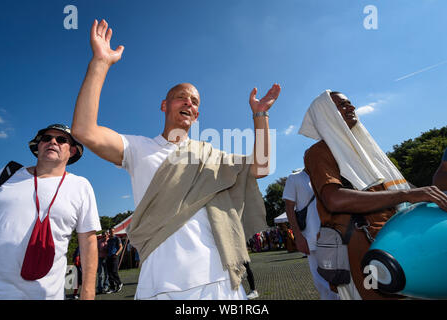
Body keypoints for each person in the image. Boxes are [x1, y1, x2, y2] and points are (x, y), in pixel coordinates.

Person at [71, 19, 280, 300]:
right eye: (181, 97)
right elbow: (84, 130)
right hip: (161, 282)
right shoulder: (138, 148)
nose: (189, 103)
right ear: (164, 105)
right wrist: (100, 62)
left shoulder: (211, 155)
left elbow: (262, 166)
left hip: (218, 279)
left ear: (196, 116)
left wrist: (261, 116)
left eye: (194, 102)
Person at [299, 90, 447, 300]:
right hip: (361, 247)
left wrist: (421, 195)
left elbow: (394, 189)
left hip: (394, 242)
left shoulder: (365, 151)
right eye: (341, 105)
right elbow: (335, 199)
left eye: (350, 103)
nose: (351, 108)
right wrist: (406, 195)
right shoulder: (319, 152)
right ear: (326, 114)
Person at [0, 124, 101, 300]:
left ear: (73, 151)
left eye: (61, 140)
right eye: (46, 138)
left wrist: (88, 292)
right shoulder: (6, 175)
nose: (53, 142)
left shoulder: (80, 186)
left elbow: (89, 242)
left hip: (47, 294)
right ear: (38, 146)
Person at [283, 169, 339, 300]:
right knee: (324, 285)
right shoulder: (294, 178)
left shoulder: (325, 175)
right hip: (312, 237)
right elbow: (289, 208)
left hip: (334, 235)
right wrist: (298, 236)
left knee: (341, 281)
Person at [106, 228, 123, 293]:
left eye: (112, 231)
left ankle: (119, 283)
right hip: (109, 257)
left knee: (114, 271)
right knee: (109, 273)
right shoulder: (109, 240)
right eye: (110, 231)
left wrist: (116, 253)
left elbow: (121, 247)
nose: (111, 232)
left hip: (114, 256)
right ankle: (112, 287)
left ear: (114, 231)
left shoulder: (117, 238)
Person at [97, 230, 110, 294]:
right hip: (100, 258)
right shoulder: (99, 242)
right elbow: (96, 250)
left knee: (107, 274)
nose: (105, 236)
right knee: (100, 274)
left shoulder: (109, 241)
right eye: (103, 235)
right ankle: (100, 288)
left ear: (108, 235)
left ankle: (106, 286)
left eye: (106, 235)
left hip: (107, 259)